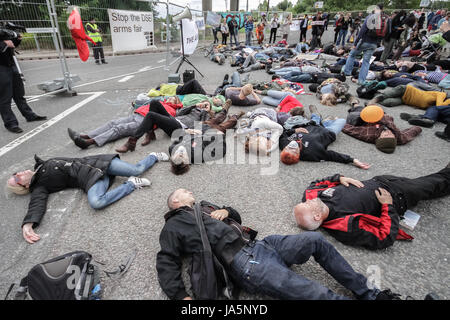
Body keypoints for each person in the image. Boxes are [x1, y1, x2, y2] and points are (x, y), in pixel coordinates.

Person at [157, 188, 403, 300]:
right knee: (314, 292)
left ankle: (371, 294)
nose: (192, 192)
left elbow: (237, 218)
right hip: (244, 263)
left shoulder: (206, 206)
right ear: (176, 201)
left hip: (263, 245)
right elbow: (166, 259)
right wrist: (180, 296)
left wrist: (225, 209)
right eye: (185, 191)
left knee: (316, 240)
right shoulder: (173, 226)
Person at [7, 152, 169, 244]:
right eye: (17, 179)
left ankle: (154, 156)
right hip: (90, 180)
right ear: (25, 187)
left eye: (15, 174)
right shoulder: (39, 186)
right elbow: (37, 203)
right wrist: (28, 224)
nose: (18, 174)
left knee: (136, 169)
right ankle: (131, 185)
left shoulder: (41, 165)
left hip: (98, 163)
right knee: (96, 202)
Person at [293, 164, 450, 250]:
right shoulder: (346, 227)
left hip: (382, 179)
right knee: (435, 183)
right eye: (307, 204)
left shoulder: (312, 196)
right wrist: (388, 206)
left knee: (432, 183)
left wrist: (340, 178)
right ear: (317, 216)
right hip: (399, 195)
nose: (309, 200)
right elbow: (384, 237)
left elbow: (315, 184)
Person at [67, 96, 183, 149]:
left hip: (143, 121)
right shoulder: (159, 102)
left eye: (173, 99)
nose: (170, 99)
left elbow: (161, 120)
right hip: (135, 115)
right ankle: (88, 135)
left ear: (176, 102)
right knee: (112, 123)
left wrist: (149, 127)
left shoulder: (172, 110)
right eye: (170, 97)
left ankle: (89, 142)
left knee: (119, 128)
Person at [279, 105, 370, 169]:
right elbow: (332, 156)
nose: (291, 146)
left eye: (287, 149)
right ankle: (325, 120)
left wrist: (294, 131)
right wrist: (353, 160)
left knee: (315, 119)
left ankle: (318, 116)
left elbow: (282, 134)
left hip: (310, 124)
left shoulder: (283, 144)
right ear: (298, 155)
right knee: (342, 120)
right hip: (328, 132)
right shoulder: (312, 154)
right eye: (293, 151)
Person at [115, 99, 214, 153]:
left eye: (207, 105)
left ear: (209, 109)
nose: (204, 106)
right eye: (203, 103)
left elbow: (202, 125)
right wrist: (194, 106)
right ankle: (150, 133)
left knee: (150, 115)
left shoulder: (206, 115)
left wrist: (205, 111)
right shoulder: (193, 108)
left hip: (180, 129)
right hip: (174, 120)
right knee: (154, 102)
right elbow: (179, 113)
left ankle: (132, 142)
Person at [0, 35, 47, 133]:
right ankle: (11, 123)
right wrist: (4, 44)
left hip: (11, 64)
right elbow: (5, 44)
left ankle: (29, 115)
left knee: (19, 93)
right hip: (1, 67)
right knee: (5, 97)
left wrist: (16, 40)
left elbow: (11, 45)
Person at [343, 4, 390, 84]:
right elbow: (388, 32)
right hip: (374, 44)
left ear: (375, 8)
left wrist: (356, 42)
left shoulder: (370, 17)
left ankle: (347, 72)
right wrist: (378, 42)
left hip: (364, 41)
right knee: (366, 62)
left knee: (352, 55)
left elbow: (362, 30)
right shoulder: (386, 19)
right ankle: (361, 81)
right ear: (383, 9)